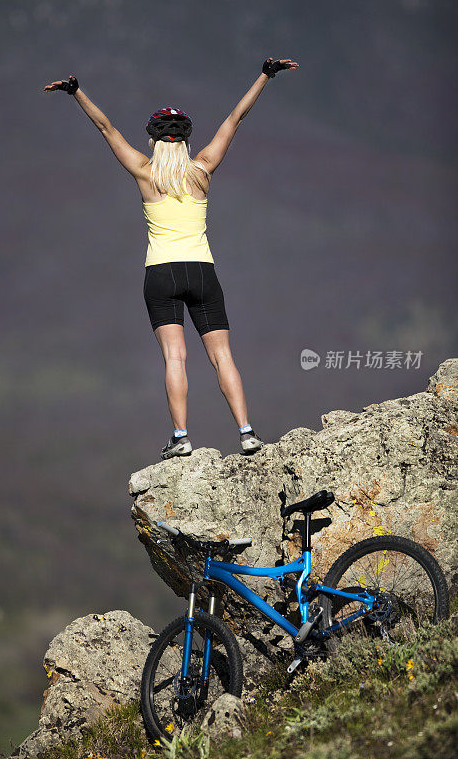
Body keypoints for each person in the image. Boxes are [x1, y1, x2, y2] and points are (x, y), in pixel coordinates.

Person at [43, 56, 299, 460]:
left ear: (154, 139)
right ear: (185, 140)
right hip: (202, 271)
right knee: (222, 356)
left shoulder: (145, 173)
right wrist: (265, 75)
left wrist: (77, 93)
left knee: (174, 357)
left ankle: (181, 437)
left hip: (160, 273)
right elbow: (235, 118)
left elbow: (105, 127)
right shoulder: (202, 170)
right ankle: (247, 433)